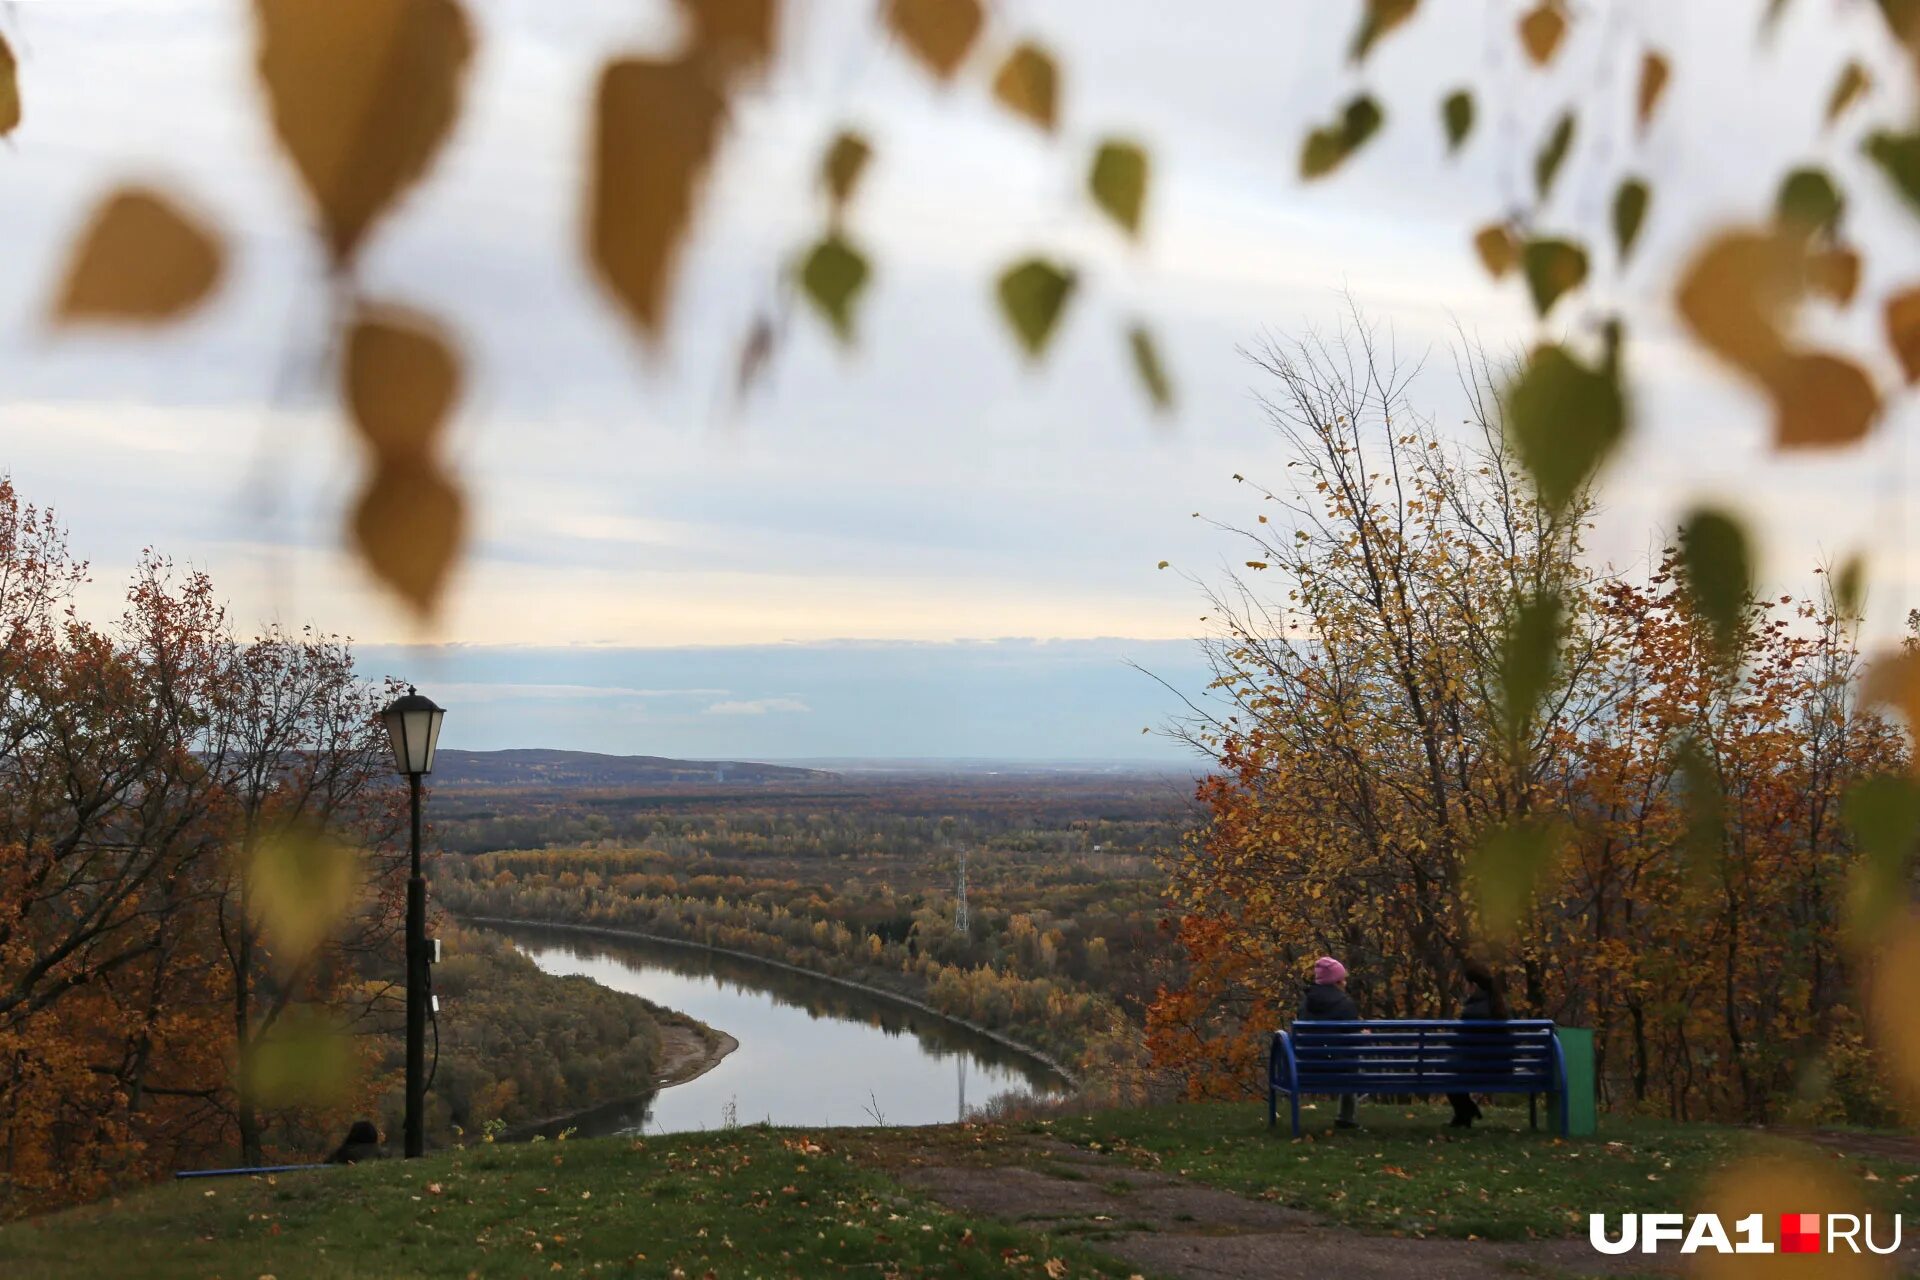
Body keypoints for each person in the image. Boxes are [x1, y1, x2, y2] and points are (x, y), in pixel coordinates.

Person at [1299, 955, 1361, 1129]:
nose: (1345, 983)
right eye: (1342, 979)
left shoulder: (1306, 1004)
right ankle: (1346, 1117)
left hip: (1307, 1066)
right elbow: (1353, 1039)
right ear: (1336, 982)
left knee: (1344, 1057)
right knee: (1351, 1061)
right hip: (1339, 1068)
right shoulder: (1345, 1004)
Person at [1448, 961, 1508, 1128]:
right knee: (1452, 1068)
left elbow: (1462, 1044)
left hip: (1479, 1068)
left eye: (1466, 983)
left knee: (1447, 1071)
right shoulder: (1501, 1006)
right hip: (1502, 1069)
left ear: (1473, 986)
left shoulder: (1472, 1011)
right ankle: (1464, 1115)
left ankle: (1466, 1111)